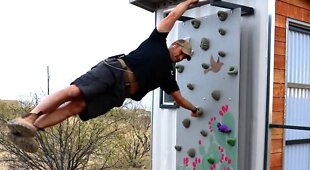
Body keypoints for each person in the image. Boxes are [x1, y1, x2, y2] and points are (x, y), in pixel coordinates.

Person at [6, 0, 201, 153]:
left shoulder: (168, 74)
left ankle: (29, 133)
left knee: (76, 107)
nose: (182, 57)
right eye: (182, 52)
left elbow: (179, 98)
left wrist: (194, 109)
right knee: (74, 92)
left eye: (185, 57)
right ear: (175, 44)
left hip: (118, 94)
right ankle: (29, 119)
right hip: (114, 71)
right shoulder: (157, 42)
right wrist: (188, 2)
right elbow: (174, 15)